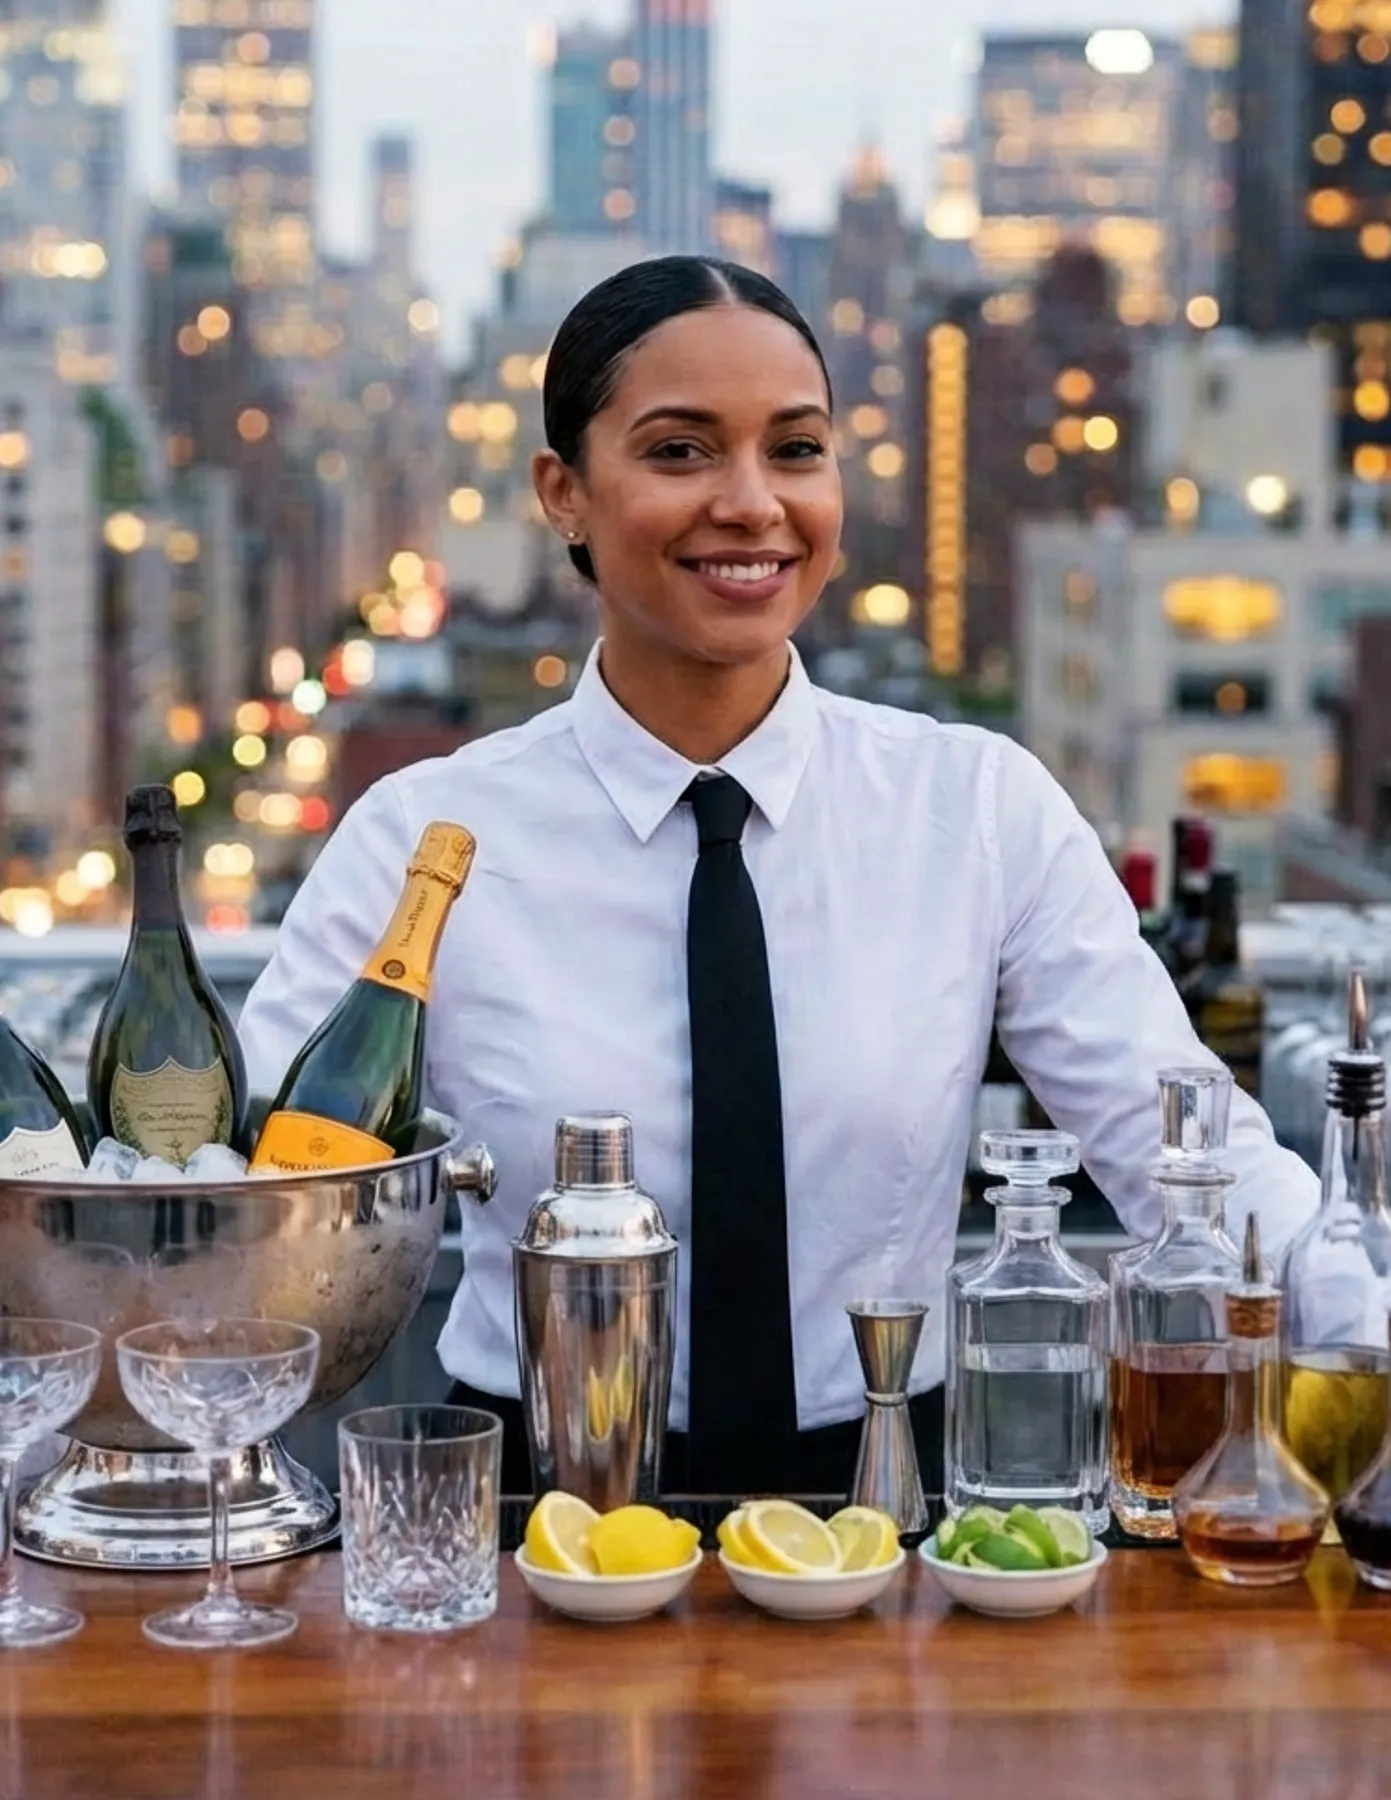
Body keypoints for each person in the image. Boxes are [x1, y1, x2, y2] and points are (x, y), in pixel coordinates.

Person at [237, 255, 1318, 1499]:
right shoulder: (423, 838)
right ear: (563, 494)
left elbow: (1187, 1152)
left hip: (888, 1508)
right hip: (528, 1512)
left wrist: (1360, 1320)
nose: (751, 504)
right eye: (681, 451)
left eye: (794, 450)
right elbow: (257, 1197)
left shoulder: (973, 807)